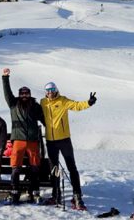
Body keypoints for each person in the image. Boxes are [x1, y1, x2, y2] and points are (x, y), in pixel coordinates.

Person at [40, 81, 96, 210]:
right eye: (48, 90)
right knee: (54, 170)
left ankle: (77, 196)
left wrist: (89, 102)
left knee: (72, 168)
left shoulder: (63, 100)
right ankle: (56, 195)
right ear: (45, 92)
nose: (50, 92)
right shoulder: (43, 102)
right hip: (50, 142)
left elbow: (76, 106)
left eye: (52, 89)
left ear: (56, 90)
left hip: (64, 140)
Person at [1, 67, 46, 204]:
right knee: (16, 167)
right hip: (18, 141)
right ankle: (14, 192)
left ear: (30, 94)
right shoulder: (13, 103)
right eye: (22, 93)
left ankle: (34, 192)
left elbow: (44, 119)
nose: (24, 95)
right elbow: (7, 93)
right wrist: (5, 78)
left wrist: (51, 128)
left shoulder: (35, 106)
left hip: (33, 141)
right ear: (19, 94)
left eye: (27, 93)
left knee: (34, 167)